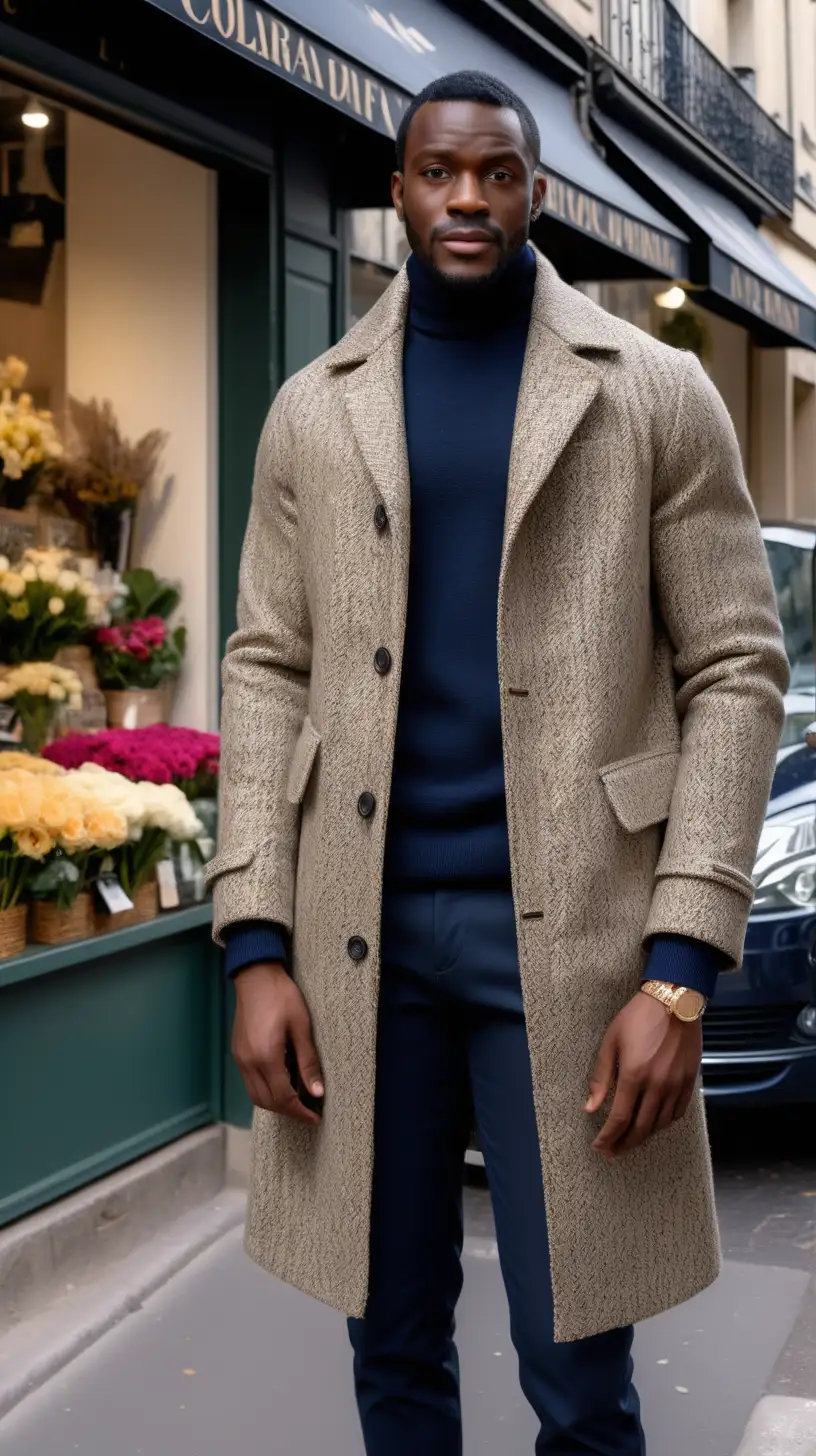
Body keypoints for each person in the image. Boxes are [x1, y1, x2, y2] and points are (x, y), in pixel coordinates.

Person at [206, 70, 788, 1455]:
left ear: (536, 191)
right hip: (364, 942)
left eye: (495, 173)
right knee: (389, 1341)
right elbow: (266, 666)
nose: (466, 196)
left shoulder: (654, 392)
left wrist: (682, 968)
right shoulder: (314, 406)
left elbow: (735, 665)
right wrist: (255, 941)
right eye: (436, 172)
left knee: (579, 1367)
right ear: (398, 188)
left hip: (579, 947)